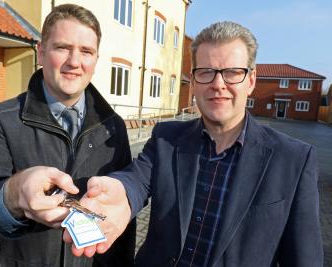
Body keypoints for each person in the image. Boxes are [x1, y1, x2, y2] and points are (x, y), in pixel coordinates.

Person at [70, 21, 323, 266]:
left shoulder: (294, 159)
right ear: (193, 81)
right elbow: (137, 179)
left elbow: (304, 258)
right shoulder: (166, 138)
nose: (218, 84)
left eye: (232, 72)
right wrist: (121, 193)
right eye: (206, 72)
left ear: (251, 80)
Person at [0, 4, 135, 267]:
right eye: (63, 47)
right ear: (41, 52)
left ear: (95, 61)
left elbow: (124, 217)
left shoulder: (114, 126)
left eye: (86, 51)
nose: (74, 61)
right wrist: (13, 194)